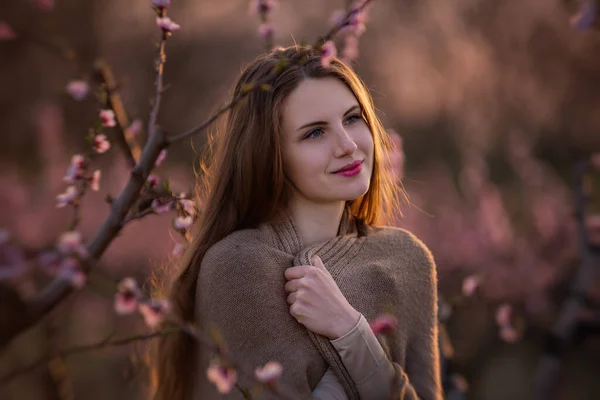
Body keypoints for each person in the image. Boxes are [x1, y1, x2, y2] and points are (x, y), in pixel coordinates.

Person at [152, 45, 442, 400]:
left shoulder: (406, 261)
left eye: (353, 118)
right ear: (271, 154)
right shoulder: (238, 268)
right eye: (314, 133)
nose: (348, 145)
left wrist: (350, 331)